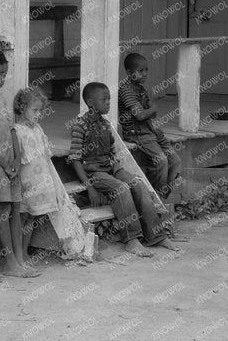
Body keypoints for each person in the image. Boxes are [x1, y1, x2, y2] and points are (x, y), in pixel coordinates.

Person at [67, 81, 171, 256]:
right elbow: (75, 159)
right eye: (104, 100)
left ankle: (156, 235)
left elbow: (113, 151)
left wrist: (119, 171)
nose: (108, 103)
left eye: (109, 99)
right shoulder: (80, 125)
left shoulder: (106, 124)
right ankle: (132, 239)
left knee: (137, 184)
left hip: (110, 168)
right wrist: (89, 186)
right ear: (91, 103)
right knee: (121, 189)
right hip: (94, 172)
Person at [11, 86, 96, 264]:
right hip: (26, 183)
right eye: (34, 110)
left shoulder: (37, 129)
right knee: (21, 217)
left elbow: (45, 155)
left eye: (40, 111)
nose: (38, 114)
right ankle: (16, 253)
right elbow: (17, 160)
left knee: (32, 217)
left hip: (40, 183)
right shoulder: (16, 131)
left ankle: (24, 251)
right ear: (22, 108)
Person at [0, 47, 39, 278]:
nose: (2, 79)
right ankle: (10, 261)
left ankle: (20, 259)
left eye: (5, 74)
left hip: (11, 162)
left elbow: (12, 130)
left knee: (15, 207)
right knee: (2, 210)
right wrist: (3, 163)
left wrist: (18, 159)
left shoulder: (1, 99)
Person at [119, 52, 182, 199]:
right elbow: (140, 115)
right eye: (140, 71)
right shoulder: (126, 90)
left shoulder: (140, 88)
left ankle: (163, 196)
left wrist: (150, 110)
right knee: (161, 161)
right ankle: (155, 197)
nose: (144, 74)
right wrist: (153, 108)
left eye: (146, 70)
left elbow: (150, 115)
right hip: (137, 133)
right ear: (129, 73)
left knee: (175, 161)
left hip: (150, 131)